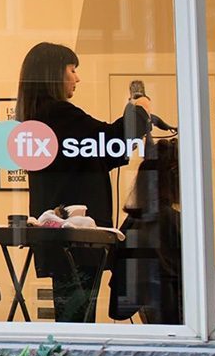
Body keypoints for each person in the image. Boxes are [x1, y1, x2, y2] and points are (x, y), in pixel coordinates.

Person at [16, 42, 130, 322]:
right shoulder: (60, 116)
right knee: (79, 320)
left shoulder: (37, 118)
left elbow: (97, 155)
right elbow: (113, 142)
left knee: (72, 316)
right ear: (55, 74)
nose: (77, 78)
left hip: (60, 239)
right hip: (76, 238)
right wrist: (139, 111)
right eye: (72, 70)